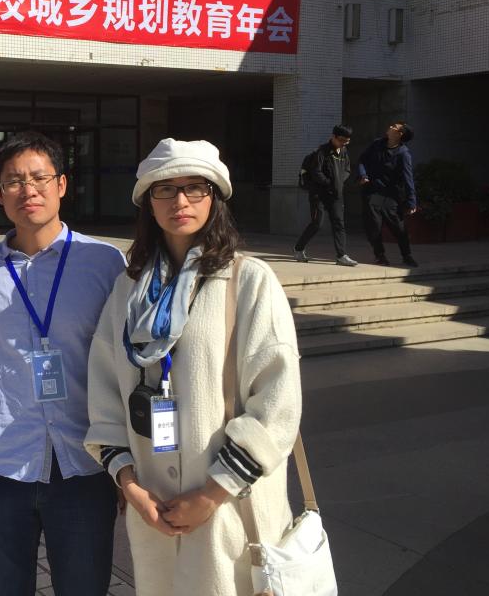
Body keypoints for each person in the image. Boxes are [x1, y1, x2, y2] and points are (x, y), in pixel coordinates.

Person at [84, 138, 302, 596]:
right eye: (165, 189)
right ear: (148, 202)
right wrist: (131, 488)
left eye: (194, 187)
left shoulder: (248, 280)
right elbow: (104, 394)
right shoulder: (129, 291)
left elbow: (278, 405)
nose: (179, 201)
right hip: (154, 510)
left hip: (230, 510)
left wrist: (211, 494)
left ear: (214, 197)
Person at [0, 131, 125, 596]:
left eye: (40, 178)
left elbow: (126, 364)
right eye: (14, 181)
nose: (28, 190)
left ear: (62, 185)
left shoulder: (105, 262)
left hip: (85, 467)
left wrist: (130, 460)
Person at [294, 124, 358, 266]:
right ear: (333, 137)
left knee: (339, 224)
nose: (344, 143)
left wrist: (339, 182)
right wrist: (330, 183)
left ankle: (341, 256)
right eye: (341, 140)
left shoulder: (344, 152)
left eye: (347, 141)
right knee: (317, 223)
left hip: (336, 194)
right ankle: (298, 249)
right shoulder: (321, 152)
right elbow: (316, 172)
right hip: (319, 194)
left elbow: (347, 169)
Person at [357, 122, 418, 267]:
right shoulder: (377, 144)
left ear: (400, 134)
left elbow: (408, 178)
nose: (390, 127)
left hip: (391, 195)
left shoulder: (403, 154)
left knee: (398, 227)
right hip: (372, 191)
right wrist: (363, 174)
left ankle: (407, 255)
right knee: (373, 226)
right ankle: (380, 255)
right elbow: (362, 160)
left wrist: (411, 202)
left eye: (394, 127)